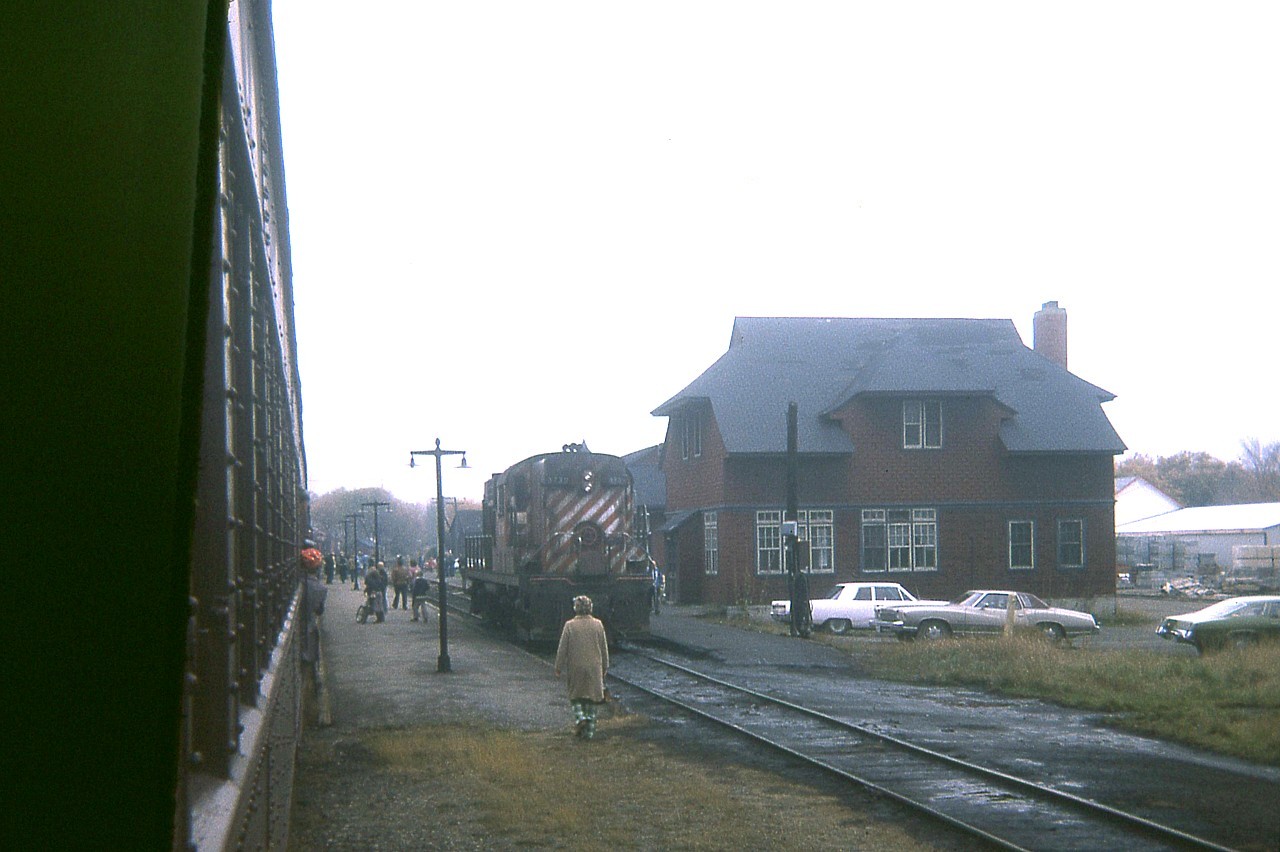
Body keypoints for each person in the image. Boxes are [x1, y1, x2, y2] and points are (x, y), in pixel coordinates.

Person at [554, 595, 609, 740]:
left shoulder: (569, 625)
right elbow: (604, 649)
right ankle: (588, 734)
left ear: (576, 609)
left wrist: (558, 667)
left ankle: (580, 718)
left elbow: (562, 649)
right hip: (594, 668)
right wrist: (605, 667)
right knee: (592, 700)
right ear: (590, 608)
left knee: (575, 697)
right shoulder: (598, 625)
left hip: (576, 667)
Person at [299, 547, 327, 688]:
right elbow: (319, 610)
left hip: (299, 628)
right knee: (310, 664)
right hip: (310, 629)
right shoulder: (321, 589)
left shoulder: (298, 584)